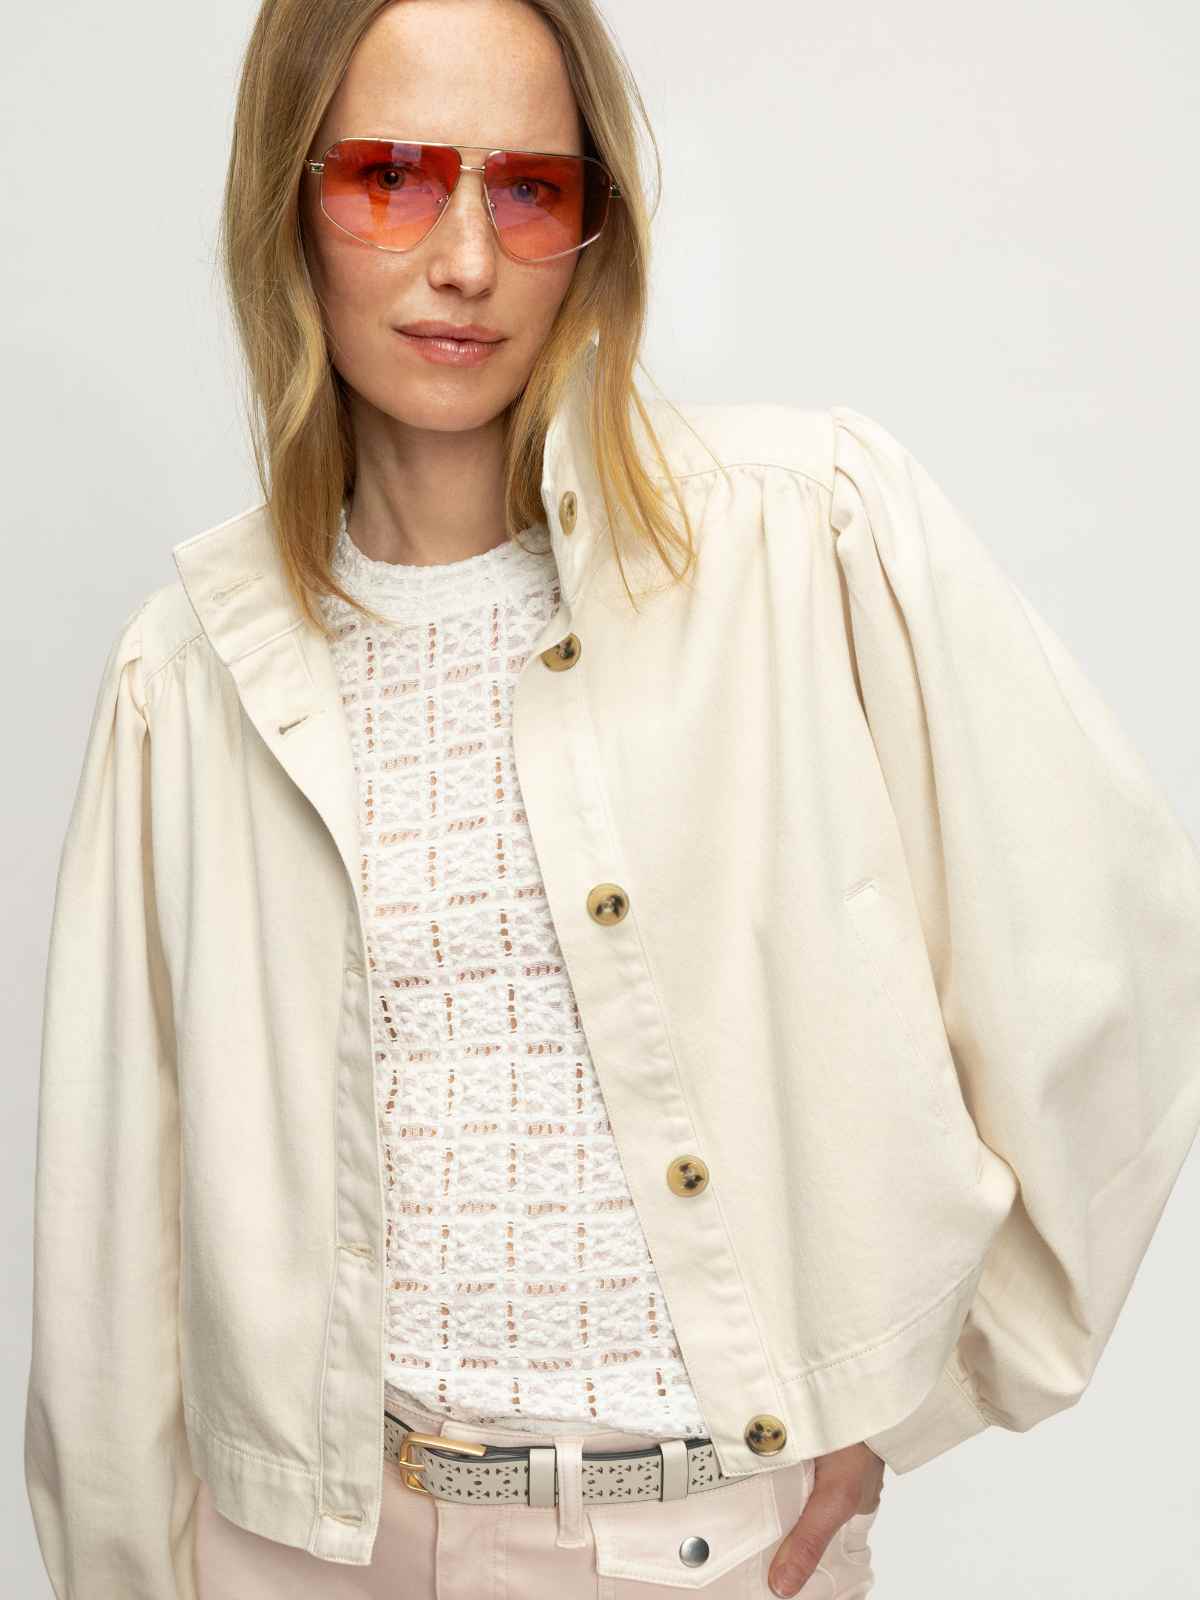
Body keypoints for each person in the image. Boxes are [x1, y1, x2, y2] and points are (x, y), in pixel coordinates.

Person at [24, 1, 1200, 1597]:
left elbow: (1109, 965)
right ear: (288, 206)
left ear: (596, 231)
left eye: (529, 190)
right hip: (294, 1552)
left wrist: (914, 1390)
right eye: (389, 178)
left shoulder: (800, 540)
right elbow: (112, 1243)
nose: (463, 259)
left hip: (692, 1548)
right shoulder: (192, 674)